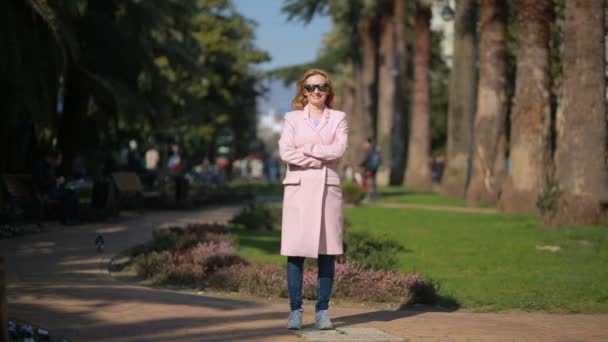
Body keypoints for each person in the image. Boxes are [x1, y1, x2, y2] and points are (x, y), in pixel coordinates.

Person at [278, 68, 348, 330]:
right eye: (310, 87)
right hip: (298, 190)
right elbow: (286, 152)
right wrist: (320, 157)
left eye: (321, 86)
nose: (316, 91)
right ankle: (295, 310)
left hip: (327, 192)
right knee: (295, 252)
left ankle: (322, 311)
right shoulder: (292, 119)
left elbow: (339, 150)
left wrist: (305, 149)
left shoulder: (339, 118)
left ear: (328, 90)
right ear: (303, 92)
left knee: (327, 252)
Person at [32, 149, 80, 225]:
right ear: (51, 158)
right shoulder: (40, 165)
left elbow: (51, 182)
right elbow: (40, 183)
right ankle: (68, 219)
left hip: (51, 191)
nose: (60, 161)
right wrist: (56, 181)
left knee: (72, 191)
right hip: (44, 193)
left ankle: (72, 219)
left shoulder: (51, 167)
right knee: (71, 192)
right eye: (59, 159)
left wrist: (58, 183)